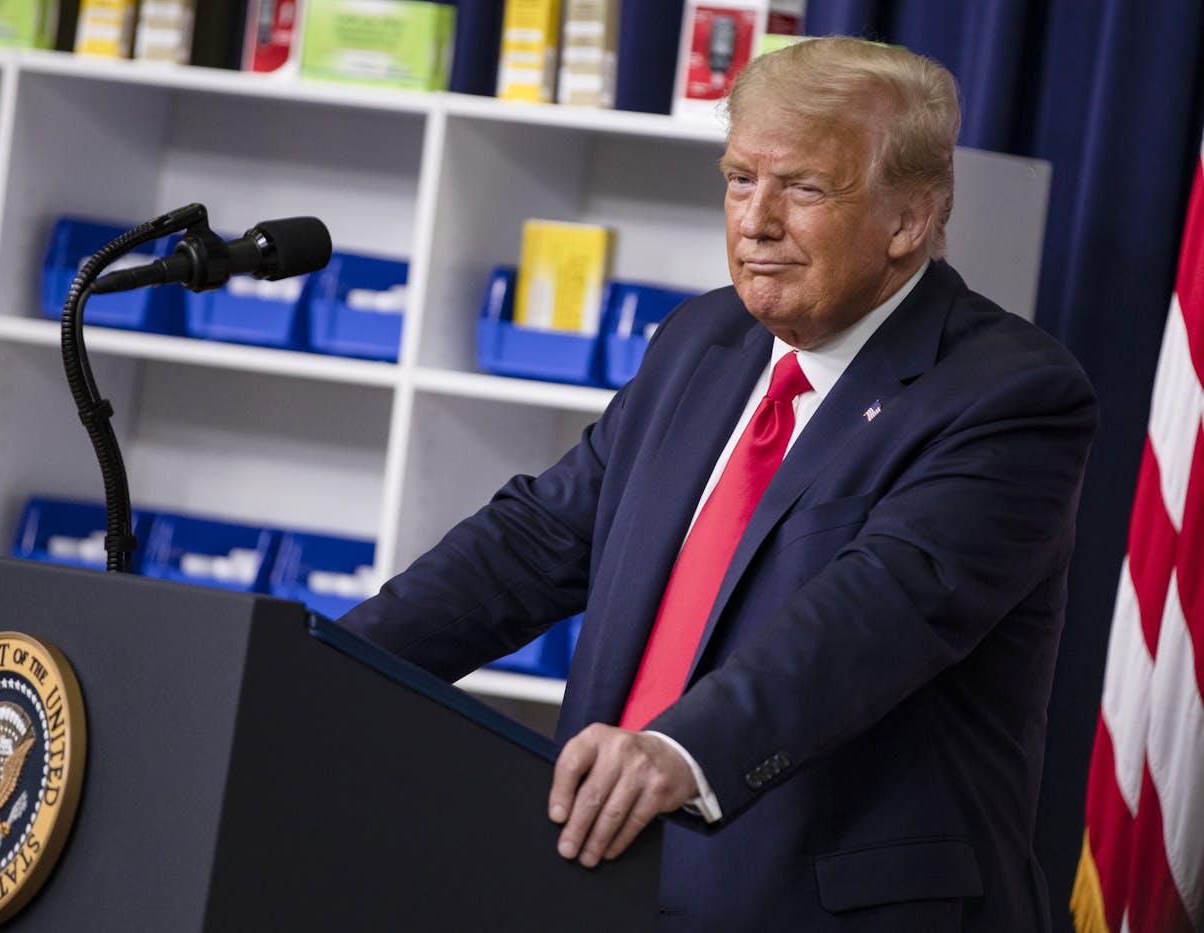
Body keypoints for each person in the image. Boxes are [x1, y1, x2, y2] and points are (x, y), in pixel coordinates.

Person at [339, 36, 1097, 932]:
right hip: (603, 881)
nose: (756, 221)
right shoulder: (703, 340)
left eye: (804, 188)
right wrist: (324, 660)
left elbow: (872, 617)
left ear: (909, 219)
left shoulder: (1010, 394)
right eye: (740, 180)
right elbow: (536, 541)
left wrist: (677, 751)